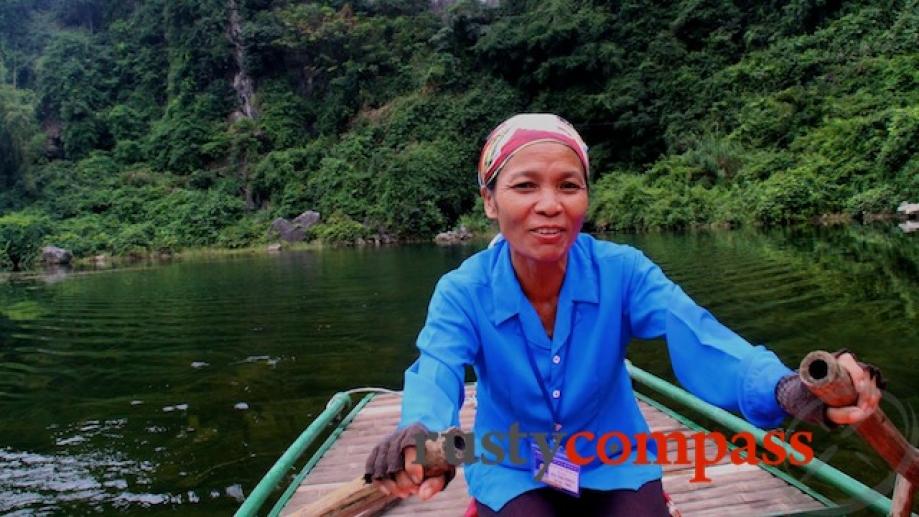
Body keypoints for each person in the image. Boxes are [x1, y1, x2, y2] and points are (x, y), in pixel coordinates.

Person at [364, 114, 883, 516]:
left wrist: (785, 389)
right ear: (490, 201)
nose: (550, 204)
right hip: (511, 459)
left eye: (569, 186)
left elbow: (699, 335)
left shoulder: (623, 272)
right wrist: (423, 436)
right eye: (525, 186)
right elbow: (437, 370)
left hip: (615, 457)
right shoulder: (462, 291)